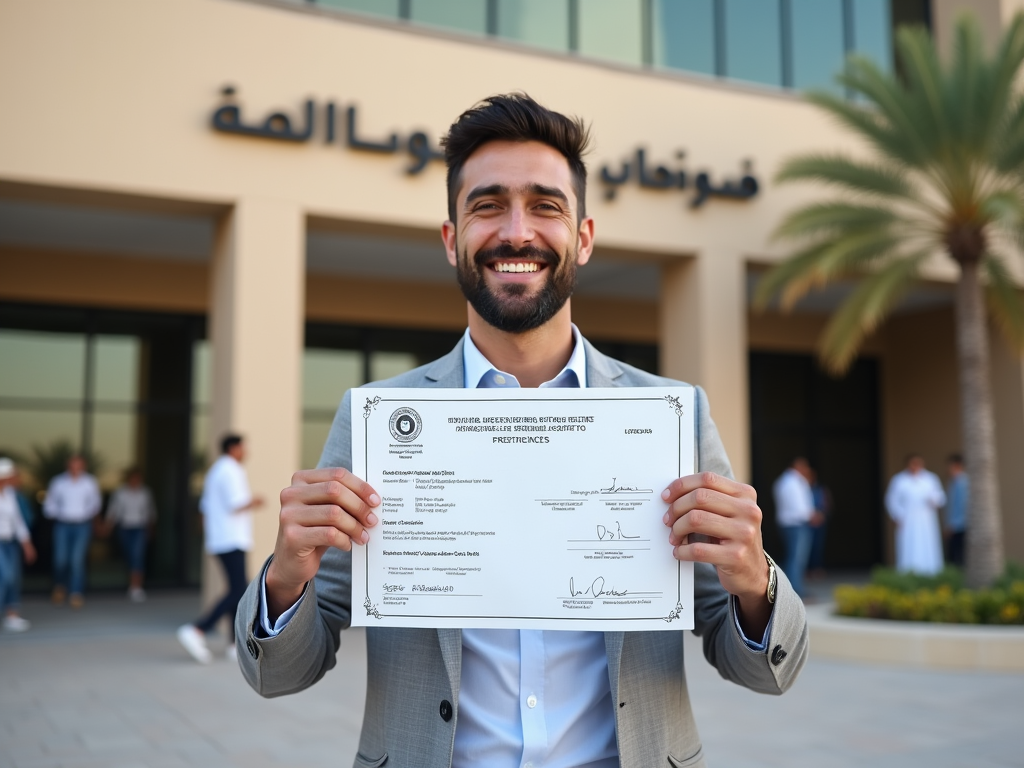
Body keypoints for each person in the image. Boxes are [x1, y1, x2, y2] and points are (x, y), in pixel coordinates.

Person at [235, 94, 808, 768]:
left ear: (584, 238)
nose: (516, 231)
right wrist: (284, 581)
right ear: (452, 240)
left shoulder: (671, 416)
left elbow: (766, 670)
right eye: (487, 205)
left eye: (545, 206)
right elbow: (281, 673)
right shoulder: (376, 420)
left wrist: (752, 582)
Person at [178, 434, 264, 664]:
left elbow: (204, 508)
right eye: (243, 448)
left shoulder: (217, 470)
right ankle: (197, 629)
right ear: (234, 448)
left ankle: (233, 645)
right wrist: (255, 501)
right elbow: (236, 503)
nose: (246, 452)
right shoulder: (230, 470)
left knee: (236, 590)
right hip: (231, 538)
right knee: (239, 591)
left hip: (222, 539)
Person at [43, 454, 102, 608]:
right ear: (67, 465)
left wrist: (85, 514)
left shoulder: (89, 482)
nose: (75, 467)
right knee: (60, 559)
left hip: (82, 525)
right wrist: (56, 513)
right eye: (72, 464)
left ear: (83, 466)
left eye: (78, 464)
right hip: (62, 524)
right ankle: (60, 586)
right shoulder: (58, 482)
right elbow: (49, 503)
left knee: (76, 560)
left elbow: (95, 503)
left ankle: (76, 593)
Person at [885, 454, 946, 575]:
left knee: (928, 546)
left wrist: (934, 499)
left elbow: (941, 497)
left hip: (926, 519)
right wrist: (897, 515)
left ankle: (931, 573)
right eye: (913, 464)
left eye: (918, 464)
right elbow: (891, 499)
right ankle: (908, 573)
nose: (915, 466)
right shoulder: (899, 480)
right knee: (908, 546)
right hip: (907, 519)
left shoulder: (930, 478)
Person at [103, 467, 157, 602]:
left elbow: (150, 512)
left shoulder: (145, 492)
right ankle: (131, 583)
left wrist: (150, 529)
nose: (135, 480)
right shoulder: (120, 493)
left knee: (137, 556)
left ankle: (136, 587)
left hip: (139, 528)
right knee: (129, 556)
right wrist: (107, 527)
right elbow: (113, 511)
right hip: (124, 528)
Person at [772, 457, 818, 598]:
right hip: (796, 524)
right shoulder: (793, 482)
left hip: (790, 524)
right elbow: (798, 506)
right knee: (796, 559)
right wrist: (812, 516)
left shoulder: (784, 481)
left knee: (794, 557)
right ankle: (795, 591)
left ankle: (793, 589)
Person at [0, 458, 37, 631]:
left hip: (11, 542)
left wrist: (27, 544)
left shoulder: (11, 494)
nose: (16, 478)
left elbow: (18, 521)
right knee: (5, 577)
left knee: (13, 578)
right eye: (12, 474)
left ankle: (12, 615)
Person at [943, 453, 969, 567]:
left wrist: (952, 524)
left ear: (957, 465)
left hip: (960, 526)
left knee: (957, 555)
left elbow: (961, 505)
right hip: (956, 525)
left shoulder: (962, 482)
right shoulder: (953, 482)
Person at [807, 467, 832, 579]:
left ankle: (817, 569)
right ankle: (807, 571)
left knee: (818, 547)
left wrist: (821, 515)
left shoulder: (821, 490)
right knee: (807, 549)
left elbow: (827, 505)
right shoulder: (803, 488)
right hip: (807, 523)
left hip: (819, 523)